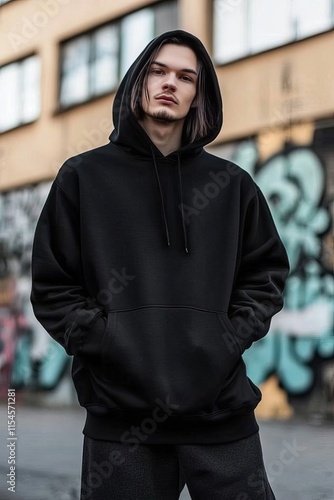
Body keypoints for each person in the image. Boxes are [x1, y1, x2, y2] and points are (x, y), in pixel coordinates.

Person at [30, 29, 290, 500]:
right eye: (158, 70)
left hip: (220, 415)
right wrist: (109, 344)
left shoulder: (232, 185)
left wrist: (225, 341)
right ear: (138, 82)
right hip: (121, 420)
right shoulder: (82, 178)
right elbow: (53, 287)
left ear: (198, 95)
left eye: (186, 76)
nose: (170, 83)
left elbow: (266, 276)